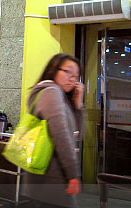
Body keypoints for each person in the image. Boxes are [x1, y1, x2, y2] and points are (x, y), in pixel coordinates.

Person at [22, 53, 85, 208]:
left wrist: (78, 105)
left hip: (50, 180)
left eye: (76, 76)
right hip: (51, 180)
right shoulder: (51, 92)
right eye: (67, 72)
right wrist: (73, 175)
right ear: (53, 70)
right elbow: (61, 135)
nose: (72, 79)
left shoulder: (61, 97)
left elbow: (77, 135)